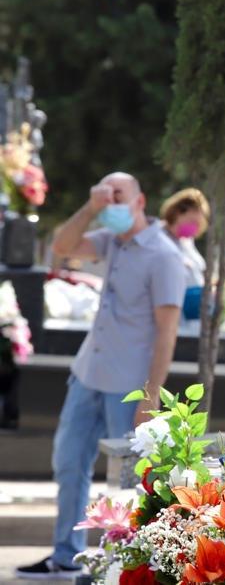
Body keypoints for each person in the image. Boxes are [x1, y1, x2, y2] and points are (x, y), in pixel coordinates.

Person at [18, 173, 185, 579]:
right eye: (104, 196)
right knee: (68, 463)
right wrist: (92, 206)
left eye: (118, 197)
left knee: (126, 482)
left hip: (127, 388)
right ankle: (65, 555)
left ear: (141, 200)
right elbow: (61, 246)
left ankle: (119, 564)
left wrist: (150, 395)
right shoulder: (113, 241)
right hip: (87, 374)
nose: (111, 204)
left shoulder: (164, 256)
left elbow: (167, 332)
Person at [160, 188, 210, 287]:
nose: (194, 228)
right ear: (177, 213)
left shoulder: (187, 241)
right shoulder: (157, 237)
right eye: (192, 221)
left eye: (198, 224)